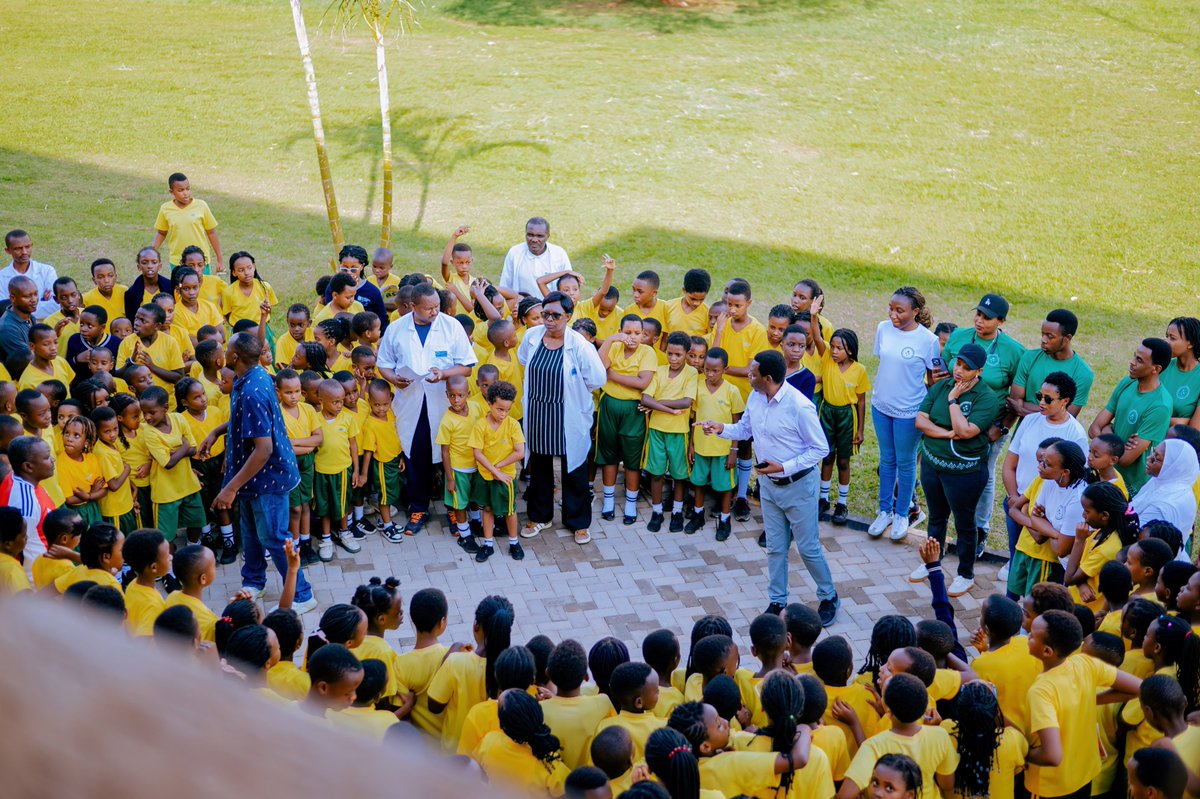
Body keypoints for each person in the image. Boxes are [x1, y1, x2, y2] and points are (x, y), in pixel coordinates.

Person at [697, 350, 839, 625]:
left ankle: (829, 596)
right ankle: (777, 601)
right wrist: (720, 428)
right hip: (768, 485)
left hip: (798, 486)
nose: (748, 376)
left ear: (769, 378)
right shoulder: (756, 397)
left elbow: (820, 448)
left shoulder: (799, 406)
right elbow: (745, 430)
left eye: (753, 373)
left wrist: (784, 468)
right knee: (775, 547)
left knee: (808, 548)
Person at [213, 332, 316, 615]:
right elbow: (242, 420)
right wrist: (216, 431)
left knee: (273, 535)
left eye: (227, 347)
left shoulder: (252, 391)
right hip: (249, 476)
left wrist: (231, 488)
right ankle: (254, 580)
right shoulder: (252, 375)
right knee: (250, 530)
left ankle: (303, 594)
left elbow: (263, 449)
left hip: (267, 477)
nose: (223, 349)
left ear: (234, 356)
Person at [376, 282, 476, 535]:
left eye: (437, 307)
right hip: (411, 402)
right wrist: (393, 378)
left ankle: (455, 508)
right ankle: (418, 507)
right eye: (429, 308)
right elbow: (384, 364)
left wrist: (443, 373)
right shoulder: (397, 329)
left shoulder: (451, 326)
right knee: (416, 454)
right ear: (412, 307)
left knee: (449, 456)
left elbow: (466, 366)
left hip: (444, 403)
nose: (434, 312)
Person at [517, 291, 606, 545]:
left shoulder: (580, 345)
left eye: (556, 315)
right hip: (538, 414)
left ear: (568, 316)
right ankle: (540, 516)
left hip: (568, 416)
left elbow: (597, 379)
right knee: (540, 467)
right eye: (545, 314)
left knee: (574, 469)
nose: (549, 320)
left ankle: (578, 522)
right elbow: (524, 360)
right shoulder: (532, 337)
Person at [911, 343, 999, 596]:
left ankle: (965, 574)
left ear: (979, 371)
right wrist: (946, 433)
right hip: (932, 465)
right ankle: (932, 563)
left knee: (964, 523)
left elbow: (966, 431)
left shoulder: (986, 398)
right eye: (957, 363)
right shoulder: (940, 386)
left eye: (966, 368)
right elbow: (921, 421)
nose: (958, 370)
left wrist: (953, 401)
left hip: (964, 473)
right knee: (937, 517)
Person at [941, 293, 1025, 554]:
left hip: (990, 428)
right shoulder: (958, 337)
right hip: (954, 418)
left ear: (1001, 321)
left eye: (987, 317)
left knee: (983, 476)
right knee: (952, 472)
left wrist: (1001, 428)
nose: (979, 320)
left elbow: (1016, 397)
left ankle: (980, 530)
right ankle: (948, 528)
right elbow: (943, 372)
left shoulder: (1014, 351)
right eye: (977, 314)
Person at [999, 371, 1089, 578]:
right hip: (1019, 500)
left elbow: (1074, 479)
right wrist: (1014, 498)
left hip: (1046, 512)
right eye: (1039, 395)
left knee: (1043, 570)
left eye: (1048, 399)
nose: (1041, 402)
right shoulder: (1030, 421)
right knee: (1016, 556)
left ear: (1065, 401)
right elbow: (1010, 464)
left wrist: (1041, 517)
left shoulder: (1075, 433)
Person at [869, 287, 941, 541]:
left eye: (900, 310)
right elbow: (885, 363)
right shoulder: (883, 329)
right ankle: (884, 510)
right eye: (891, 308)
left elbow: (934, 379)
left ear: (915, 312)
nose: (893, 314)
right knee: (887, 459)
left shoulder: (928, 340)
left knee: (906, 461)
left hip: (909, 411)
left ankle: (902, 514)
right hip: (881, 406)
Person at [1089, 338, 1173, 495]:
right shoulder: (1127, 383)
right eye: (1134, 356)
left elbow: (1125, 460)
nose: (1132, 362)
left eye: (1139, 360)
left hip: (1131, 487)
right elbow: (1094, 429)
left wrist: (1107, 431)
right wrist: (1111, 433)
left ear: (1156, 369)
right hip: (1105, 475)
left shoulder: (1160, 405)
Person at [1008, 309, 1094, 418]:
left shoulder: (1083, 373)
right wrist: (1052, 409)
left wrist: (1023, 411)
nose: (1043, 340)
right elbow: (1014, 402)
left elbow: (1067, 416)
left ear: (1067, 338)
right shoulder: (1029, 357)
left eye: (1050, 336)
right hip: (1024, 433)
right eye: (1043, 334)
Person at [1131, 439, 1200, 549]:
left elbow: (1133, 534)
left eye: (1157, 459)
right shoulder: (1167, 482)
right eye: (1153, 452)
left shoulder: (1163, 505)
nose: (1149, 458)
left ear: (1173, 467)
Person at [151, 173, 222, 271]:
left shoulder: (201, 206)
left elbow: (211, 232)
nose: (186, 193)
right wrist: (152, 252)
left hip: (200, 260)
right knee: (180, 286)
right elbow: (161, 233)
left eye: (187, 189)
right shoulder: (165, 209)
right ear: (172, 192)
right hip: (177, 261)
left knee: (203, 286)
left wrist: (219, 258)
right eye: (180, 190)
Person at [500, 217, 572, 299]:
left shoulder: (559, 254)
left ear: (547, 236)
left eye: (539, 236)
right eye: (530, 235)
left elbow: (568, 285)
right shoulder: (515, 252)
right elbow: (505, 285)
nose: (534, 240)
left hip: (551, 308)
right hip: (521, 307)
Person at [323, 245, 389, 332]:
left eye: (353, 269)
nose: (349, 273)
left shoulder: (372, 291)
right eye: (344, 269)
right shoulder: (333, 288)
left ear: (362, 266)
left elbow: (383, 320)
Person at [0, 229, 59, 320]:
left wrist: (18, 307)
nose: (24, 252)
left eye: (27, 247)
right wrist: (43, 302)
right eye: (18, 248)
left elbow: (56, 305)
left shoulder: (47, 271)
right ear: (8, 251)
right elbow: (3, 311)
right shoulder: (1, 278)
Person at [1161, 316, 1200, 430]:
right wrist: (1182, 421)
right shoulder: (1160, 367)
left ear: (1190, 343)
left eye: (1172, 338)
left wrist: (1159, 420)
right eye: (1167, 336)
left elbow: (1195, 429)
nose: (1166, 342)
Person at [0, 275, 38, 378]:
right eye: (27, 296)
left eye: (35, 294)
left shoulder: (29, 315)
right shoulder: (7, 328)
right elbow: (31, 359)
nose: (34, 299)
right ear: (13, 298)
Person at [124, 247, 173, 322]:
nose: (150, 266)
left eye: (154, 262)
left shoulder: (170, 287)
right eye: (144, 263)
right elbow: (131, 319)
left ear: (160, 266)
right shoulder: (132, 293)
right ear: (139, 267)